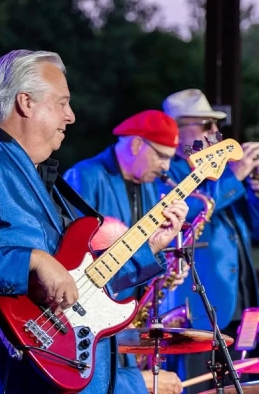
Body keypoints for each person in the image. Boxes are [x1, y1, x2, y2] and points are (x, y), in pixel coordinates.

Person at [0, 50, 188, 394]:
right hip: (10, 377)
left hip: (62, 373)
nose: (71, 116)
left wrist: (152, 244)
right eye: (62, 103)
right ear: (26, 103)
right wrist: (32, 261)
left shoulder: (46, 179)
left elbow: (86, 278)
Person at [158, 88, 259, 394]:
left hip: (240, 301)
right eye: (206, 124)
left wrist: (257, 193)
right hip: (198, 306)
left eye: (215, 125)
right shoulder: (166, 170)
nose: (215, 131)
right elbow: (190, 211)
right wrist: (234, 178)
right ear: (177, 129)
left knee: (241, 386)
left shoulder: (216, 171)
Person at [64, 110, 188, 394]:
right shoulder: (85, 176)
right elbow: (73, 256)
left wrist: (162, 267)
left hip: (121, 317)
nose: (167, 167)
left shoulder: (145, 184)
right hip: (89, 320)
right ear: (135, 145)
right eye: (162, 156)